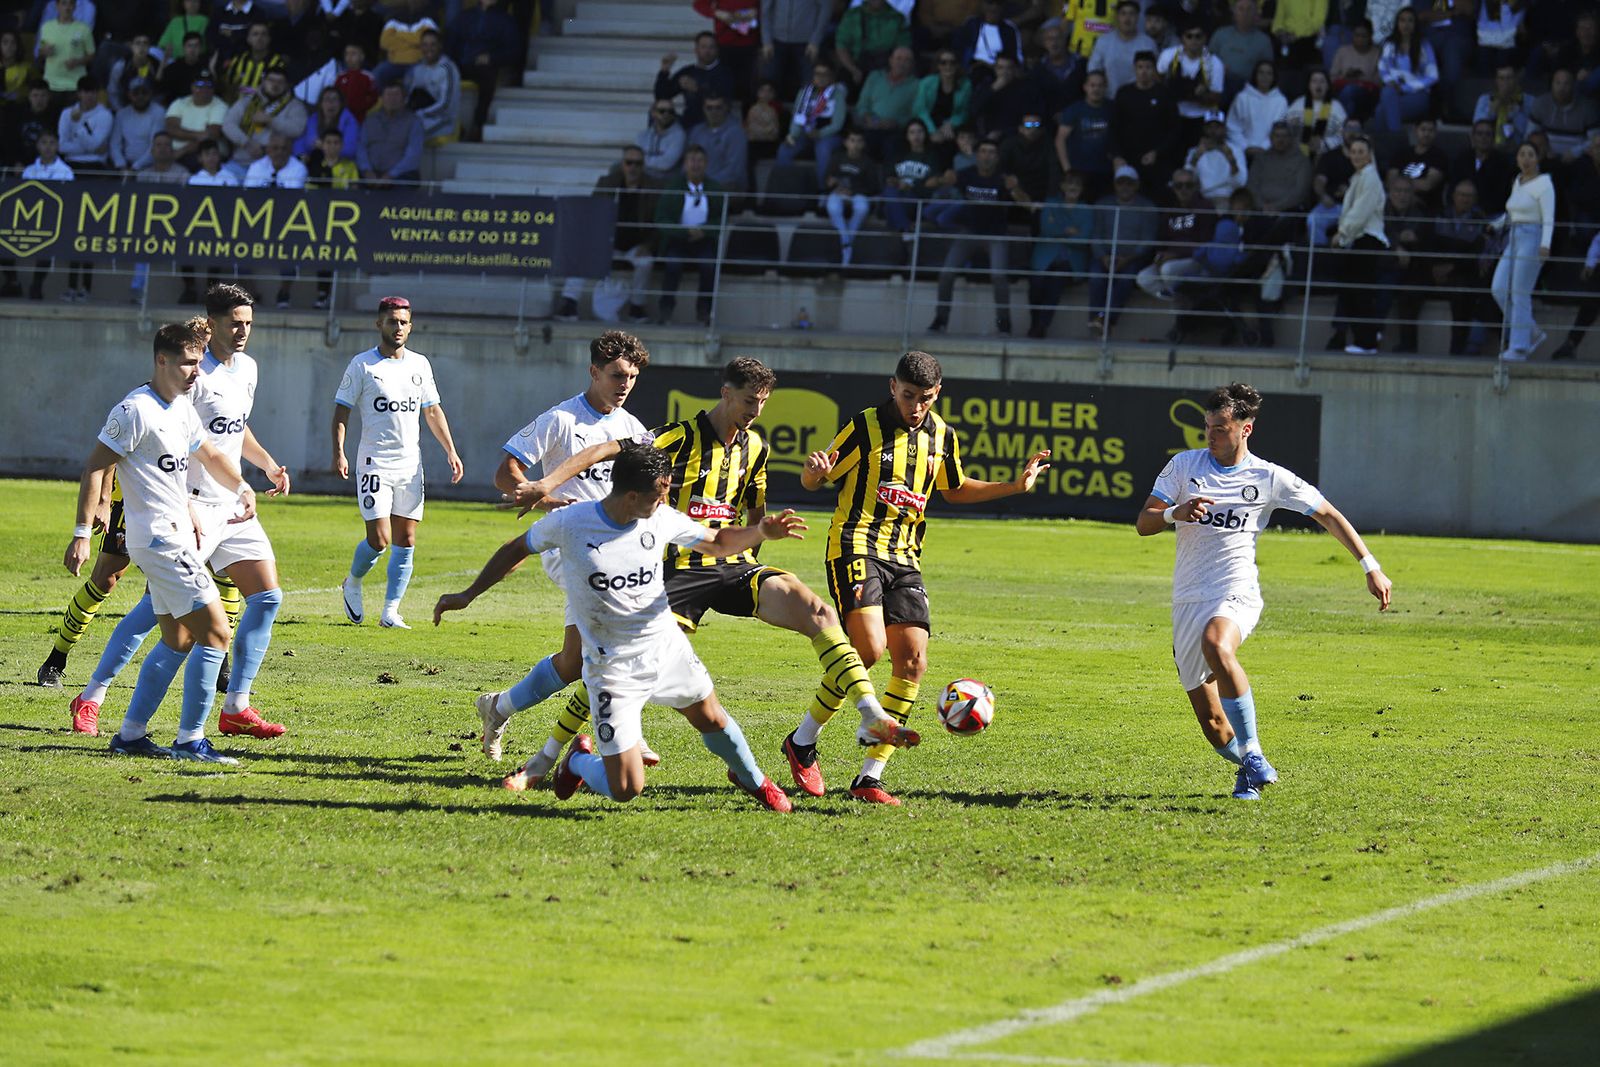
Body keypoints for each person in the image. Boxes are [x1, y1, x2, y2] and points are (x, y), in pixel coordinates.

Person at [484, 357, 919, 792]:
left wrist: (759, 542)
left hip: (730, 566)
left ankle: (871, 714)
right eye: (749, 400)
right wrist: (546, 484)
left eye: (763, 403)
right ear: (727, 394)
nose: (755, 410)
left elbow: (756, 510)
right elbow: (604, 450)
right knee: (618, 661)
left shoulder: (756, 447)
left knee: (817, 611)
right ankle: (545, 759)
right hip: (678, 573)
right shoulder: (678, 436)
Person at [435, 443, 799, 811]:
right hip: (612, 671)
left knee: (712, 718)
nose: (664, 500)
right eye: (659, 494)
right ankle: (576, 760)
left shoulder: (660, 517)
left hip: (665, 648)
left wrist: (760, 533)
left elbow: (718, 542)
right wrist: (468, 594)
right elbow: (517, 548)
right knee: (625, 787)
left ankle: (757, 782)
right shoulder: (571, 523)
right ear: (630, 496)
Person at [794, 350, 1050, 805]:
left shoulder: (943, 436)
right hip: (855, 544)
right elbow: (819, 478)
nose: (916, 406)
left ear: (937, 394)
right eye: (908, 395)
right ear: (892, 386)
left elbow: (953, 489)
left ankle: (869, 777)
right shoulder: (865, 426)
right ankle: (802, 740)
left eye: (925, 398)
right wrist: (814, 476)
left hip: (906, 557)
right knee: (869, 650)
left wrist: (1014, 486)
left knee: (912, 662)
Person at [1136, 382, 1392, 801]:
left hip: (1236, 592)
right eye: (1207, 426)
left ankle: (1253, 755)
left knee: (1218, 644)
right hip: (1187, 599)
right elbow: (1143, 522)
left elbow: (1327, 514)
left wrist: (1371, 566)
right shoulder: (1183, 466)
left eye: (1220, 427)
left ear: (1245, 429)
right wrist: (1173, 512)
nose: (1211, 435)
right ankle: (1247, 770)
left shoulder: (1268, 477)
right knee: (1215, 728)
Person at [67, 288, 293, 742]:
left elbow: (231, 428)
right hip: (187, 508)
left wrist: (263, 466)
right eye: (234, 321)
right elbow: (133, 446)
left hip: (233, 503)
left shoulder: (247, 368)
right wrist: (89, 521)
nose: (243, 330)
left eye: (248, 321)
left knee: (267, 597)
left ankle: (236, 707)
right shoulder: (188, 376)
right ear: (211, 324)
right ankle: (94, 695)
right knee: (159, 614)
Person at [452, 330, 656, 766]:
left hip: (617, 549)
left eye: (633, 376)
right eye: (617, 374)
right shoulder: (562, 420)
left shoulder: (633, 430)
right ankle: (624, 734)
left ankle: (498, 707)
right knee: (620, 632)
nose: (625, 384)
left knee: (571, 663)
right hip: (569, 546)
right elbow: (506, 473)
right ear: (593, 371)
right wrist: (542, 496)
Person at [332, 296, 465, 629]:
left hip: (410, 464)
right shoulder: (362, 365)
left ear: (411, 325)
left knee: (406, 539)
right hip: (374, 461)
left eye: (404, 322)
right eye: (392, 321)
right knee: (379, 539)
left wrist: (450, 449)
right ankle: (353, 582)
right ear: (380, 325)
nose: (398, 327)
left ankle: (391, 611)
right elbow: (341, 410)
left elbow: (432, 410)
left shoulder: (419, 364)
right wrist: (339, 451)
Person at [927, 138, 1031, 335]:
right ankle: (940, 319)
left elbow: (1027, 204)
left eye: (991, 152)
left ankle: (1004, 323)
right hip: (970, 232)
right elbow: (929, 184)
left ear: (997, 157)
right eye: (983, 151)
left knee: (999, 277)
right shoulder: (967, 174)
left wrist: (1014, 189)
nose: (987, 156)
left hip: (996, 235)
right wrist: (942, 179)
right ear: (977, 155)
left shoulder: (1004, 178)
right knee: (946, 274)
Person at [554, 146, 658, 324]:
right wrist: (596, 241)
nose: (633, 168)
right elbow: (592, 212)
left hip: (636, 246)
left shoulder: (653, 188)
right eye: (629, 163)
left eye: (638, 164)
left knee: (646, 262)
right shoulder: (607, 183)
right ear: (622, 165)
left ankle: (637, 306)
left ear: (643, 166)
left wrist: (648, 245)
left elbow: (658, 224)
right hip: (606, 243)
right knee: (582, 253)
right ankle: (569, 302)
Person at [1490, 140, 1555, 360]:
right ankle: (1532, 332)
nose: (1526, 159)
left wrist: (1545, 245)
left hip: (1532, 237)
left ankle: (1519, 347)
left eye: (1530, 155)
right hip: (1514, 236)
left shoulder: (1545, 184)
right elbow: (1512, 213)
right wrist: (1496, 225)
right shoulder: (1517, 181)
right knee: (1498, 288)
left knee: (1520, 292)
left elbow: (1549, 218)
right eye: (1522, 154)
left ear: (1538, 159)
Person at [654, 144, 726, 326]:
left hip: (704, 240)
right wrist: (684, 231)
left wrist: (704, 230)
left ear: (706, 164)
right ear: (685, 164)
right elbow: (662, 218)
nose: (696, 165)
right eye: (692, 160)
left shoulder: (715, 188)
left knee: (709, 264)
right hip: (678, 239)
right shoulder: (673, 187)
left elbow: (722, 218)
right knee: (673, 263)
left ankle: (704, 312)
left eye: (700, 160)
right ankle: (666, 310)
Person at [1330, 133, 1387, 354]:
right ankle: (1368, 335)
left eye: (1361, 152)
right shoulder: (1359, 176)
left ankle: (1368, 341)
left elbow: (1360, 212)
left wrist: (1341, 234)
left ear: (1370, 154)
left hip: (1368, 239)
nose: (1356, 156)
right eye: (1353, 152)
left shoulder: (1370, 177)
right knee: (1352, 291)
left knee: (1360, 292)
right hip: (1358, 239)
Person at [1086, 163, 1159, 336]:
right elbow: (1096, 235)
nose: (1125, 187)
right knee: (1096, 277)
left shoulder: (1148, 207)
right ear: (1114, 184)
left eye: (1129, 183)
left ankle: (1104, 319)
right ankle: (1098, 318)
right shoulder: (1102, 204)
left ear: (1137, 185)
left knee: (1125, 279)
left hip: (1132, 259)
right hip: (1104, 257)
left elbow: (1148, 240)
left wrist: (1127, 258)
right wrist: (1103, 256)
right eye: (1121, 183)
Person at [1424, 179, 1493, 356]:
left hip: (1462, 274)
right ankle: (1406, 345)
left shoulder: (1481, 222)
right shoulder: (1439, 215)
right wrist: (1435, 266)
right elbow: (1429, 244)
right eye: (1462, 195)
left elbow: (1476, 253)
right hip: (1434, 270)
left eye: (1469, 196)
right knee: (1408, 289)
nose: (1465, 199)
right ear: (1453, 196)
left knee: (1464, 294)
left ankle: (1457, 350)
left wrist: (1452, 267)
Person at [1026, 170, 1094, 338]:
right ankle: (1035, 323)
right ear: (1062, 186)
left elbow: (1084, 239)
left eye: (1077, 184)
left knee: (1055, 282)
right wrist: (1069, 231)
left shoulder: (1087, 210)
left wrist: (1058, 232)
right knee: (1036, 285)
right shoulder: (1050, 204)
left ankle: (1041, 326)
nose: (1073, 187)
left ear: (1082, 189)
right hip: (1045, 257)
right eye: (1070, 183)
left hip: (1070, 260)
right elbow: (1046, 230)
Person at [1136, 165, 1217, 302]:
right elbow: (1162, 239)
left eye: (1188, 185)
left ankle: (1182, 304)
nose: (1183, 190)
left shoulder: (1205, 208)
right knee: (1143, 278)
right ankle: (1179, 300)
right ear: (1173, 188)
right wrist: (1160, 255)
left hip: (1196, 259)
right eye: (1179, 186)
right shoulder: (1170, 211)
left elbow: (1204, 242)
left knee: (1168, 270)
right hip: (1171, 259)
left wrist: (1175, 254)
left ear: (1196, 187)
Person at [447, 0, 520, 137]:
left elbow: (513, 51)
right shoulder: (464, 16)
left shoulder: (505, 20)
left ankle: (478, 125)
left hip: (483, 67)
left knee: (487, 77)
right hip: (459, 63)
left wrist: (492, 57)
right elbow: (450, 42)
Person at [1109, 50, 1179, 193]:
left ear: (1154, 69)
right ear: (1134, 68)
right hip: (1128, 159)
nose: (1144, 71)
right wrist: (1117, 156)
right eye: (1140, 67)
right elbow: (1114, 127)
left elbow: (1174, 129)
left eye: (1148, 67)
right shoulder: (1124, 93)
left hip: (1157, 160)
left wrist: (1157, 152)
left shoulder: (1164, 94)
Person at [222, 64, 308, 180]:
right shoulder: (247, 102)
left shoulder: (295, 106)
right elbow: (227, 125)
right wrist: (246, 143)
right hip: (241, 162)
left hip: (275, 166)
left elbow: (297, 129)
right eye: (271, 80)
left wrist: (270, 120)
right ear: (263, 81)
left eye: (280, 82)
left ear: (286, 85)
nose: (275, 85)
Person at [776, 60, 847, 185]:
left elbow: (837, 124)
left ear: (831, 77)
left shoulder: (837, 94)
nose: (820, 78)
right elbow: (797, 117)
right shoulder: (805, 93)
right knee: (784, 149)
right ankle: (787, 186)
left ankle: (822, 190)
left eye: (824, 74)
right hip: (805, 134)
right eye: (817, 74)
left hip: (828, 135)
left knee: (823, 149)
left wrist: (819, 133)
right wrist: (792, 135)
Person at [1158, 20, 1225, 149]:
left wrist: (1200, 95)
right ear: (1183, 38)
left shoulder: (1215, 63)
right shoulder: (1168, 55)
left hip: (1200, 118)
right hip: (1173, 115)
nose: (1193, 40)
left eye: (1198, 36)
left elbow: (1216, 97)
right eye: (1189, 36)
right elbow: (1157, 81)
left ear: (1205, 38)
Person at [1371, 7, 1437, 134]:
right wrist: (1391, 81)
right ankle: (1393, 141)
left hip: (1418, 95)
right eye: (1402, 20)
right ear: (1397, 23)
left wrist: (1405, 88)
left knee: (1382, 109)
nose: (1406, 24)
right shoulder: (1389, 44)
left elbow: (1433, 76)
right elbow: (1383, 68)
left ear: (1415, 24)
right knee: (1386, 96)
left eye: (1410, 21)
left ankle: (1391, 143)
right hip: (1393, 93)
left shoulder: (1424, 45)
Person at [1054, 68, 1112, 200]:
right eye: (1092, 85)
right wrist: (1067, 170)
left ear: (1105, 87)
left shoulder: (1112, 109)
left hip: (1105, 171)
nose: (1096, 89)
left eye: (1100, 85)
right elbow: (1060, 140)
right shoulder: (1074, 110)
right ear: (1085, 87)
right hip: (1079, 172)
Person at [825, 129, 882, 265]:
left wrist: (853, 191)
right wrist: (833, 185)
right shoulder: (837, 157)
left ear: (863, 144)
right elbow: (827, 179)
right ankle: (847, 242)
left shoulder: (868, 162)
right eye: (852, 140)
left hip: (858, 195)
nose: (855, 144)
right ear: (846, 143)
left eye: (859, 141)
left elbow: (874, 187)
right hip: (838, 193)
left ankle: (846, 241)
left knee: (862, 208)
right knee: (832, 207)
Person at [657, 32, 735, 130]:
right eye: (703, 47)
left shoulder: (724, 73)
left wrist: (697, 89)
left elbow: (724, 100)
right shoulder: (688, 71)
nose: (707, 51)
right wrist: (664, 71)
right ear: (696, 50)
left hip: (715, 125)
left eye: (711, 47)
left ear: (717, 50)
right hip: (690, 123)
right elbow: (661, 96)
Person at [854, 45, 918, 160]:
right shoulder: (875, 77)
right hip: (871, 126)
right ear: (891, 60)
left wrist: (896, 122)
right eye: (898, 58)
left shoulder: (917, 85)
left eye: (906, 60)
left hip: (897, 130)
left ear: (912, 64)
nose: (901, 63)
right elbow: (862, 104)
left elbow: (915, 113)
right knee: (863, 141)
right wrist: (871, 119)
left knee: (892, 145)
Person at [881, 119, 943, 232]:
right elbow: (888, 177)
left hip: (917, 199)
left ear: (925, 134)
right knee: (890, 191)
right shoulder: (899, 155)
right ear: (907, 136)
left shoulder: (932, 156)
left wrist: (910, 186)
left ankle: (903, 227)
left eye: (920, 132)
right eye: (912, 132)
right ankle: (906, 229)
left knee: (889, 208)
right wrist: (894, 182)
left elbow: (931, 185)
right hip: (897, 197)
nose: (916, 136)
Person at [358, 81, 423, 185]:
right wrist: (367, 171)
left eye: (396, 95)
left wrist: (391, 175)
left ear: (404, 99)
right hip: (370, 175)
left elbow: (413, 155)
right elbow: (360, 147)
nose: (392, 99)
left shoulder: (414, 122)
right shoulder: (370, 120)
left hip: (401, 176)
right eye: (388, 95)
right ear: (382, 98)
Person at [1086, 0, 1154, 98]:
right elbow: (1093, 70)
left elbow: (1154, 76)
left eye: (1131, 14)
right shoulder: (1103, 41)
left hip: (1139, 100)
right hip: (1109, 100)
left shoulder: (1148, 44)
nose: (1127, 18)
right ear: (1117, 17)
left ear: (1138, 17)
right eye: (1123, 14)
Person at [913, 49, 971, 166]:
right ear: (938, 65)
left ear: (957, 65)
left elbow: (965, 111)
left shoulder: (965, 84)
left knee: (952, 142)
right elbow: (920, 109)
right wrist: (932, 131)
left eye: (952, 62)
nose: (948, 66)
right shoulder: (927, 82)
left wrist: (951, 124)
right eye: (943, 62)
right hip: (929, 123)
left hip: (951, 125)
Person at [834, 0, 909, 86]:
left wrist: (893, 72)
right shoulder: (852, 16)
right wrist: (853, 69)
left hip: (886, 69)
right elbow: (841, 46)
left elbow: (903, 49)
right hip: (856, 67)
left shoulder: (897, 18)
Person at [404, 29, 460, 143]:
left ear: (440, 46)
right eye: (425, 45)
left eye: (433, 44)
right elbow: (409, 96)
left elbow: (446, 105)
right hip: (418, 116)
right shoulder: (417, 68)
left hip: (442, 120)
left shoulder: (447, 68)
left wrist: (421, 114)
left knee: (409, 134)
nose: (428, 48)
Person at [1246, 120, 1313, 213]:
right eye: (1277, 136)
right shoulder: (1260, 159)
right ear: (1270, 138)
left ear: (1291, 138)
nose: (1280, 140)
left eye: (1284, 136)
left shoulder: (1302, 160)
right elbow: (1251, 186)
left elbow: (1300, 192)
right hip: (1260, 210)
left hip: (1289, 211)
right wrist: (1261, 206)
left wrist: (1277, 207)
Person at [1209, 0, 1275, 93]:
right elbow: (1207, 59)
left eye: (1249, 9)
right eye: (1241, 9)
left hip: (1248, 88)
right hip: (1220, 84)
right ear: (1234, 12)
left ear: (1256, 13)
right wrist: (1218, 68)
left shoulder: (1263, 41)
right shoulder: (1220, 34)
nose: (1245, 13)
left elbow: (1267, 70)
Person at [1226, 59, 1286, 161]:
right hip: (1242, 152)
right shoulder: (1242, 98)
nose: (1264, 77)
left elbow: (1280, 129)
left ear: (1273, 77)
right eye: (1261, 73)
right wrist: (1245, 147)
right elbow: (1232, 127)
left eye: (1269, 73)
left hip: (1270, 152)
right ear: (1255, 75)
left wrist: (1264, 147)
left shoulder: (1280, 101)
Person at [687, 93, 748, 191]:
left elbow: (734, 171)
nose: (713, 112)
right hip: (698, 185)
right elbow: (688, 161)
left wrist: (705, 184)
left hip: (727, 186)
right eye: (709, 108)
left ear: (726, 108)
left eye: (718, 107)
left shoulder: (736, 132)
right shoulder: (696, 131)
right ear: (703, 109)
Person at [1186, 110, 1247, 208]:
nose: (1213, 131)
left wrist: (1231, 160)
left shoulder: (1236, 150)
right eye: (1209, 127)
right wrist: (1195, 158)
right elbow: (1186, 181)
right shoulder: (1194, 152)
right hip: (1203, 198)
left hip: (1227, 198)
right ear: (1204, 129)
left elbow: (1240, 183)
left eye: (1217, 127)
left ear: (1224, 129)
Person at [36, 0, 93, 98]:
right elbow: (40, 52)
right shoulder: (46, 27)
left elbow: (91, 55)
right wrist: (44, 52)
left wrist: (78, 62)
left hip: (75, 84)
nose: (67, 7)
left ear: (75, 6)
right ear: (57, 6)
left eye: (71, 3)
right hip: (51, 84)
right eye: (64, 3)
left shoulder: (84, 28)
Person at [56, 74, 111, 174]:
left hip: (96, 164)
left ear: (97, 94)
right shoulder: (66, 113)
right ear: (79, 94)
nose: (89, 96)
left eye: (93, 92)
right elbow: (62, 146)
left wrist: (78, 123)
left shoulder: (105, 115)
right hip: (71, 163)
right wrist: (93, 150)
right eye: (86, 92)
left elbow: (94, 144)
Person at [1286, 69, 1347, 158]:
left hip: (1327, 156)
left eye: (1322, 81)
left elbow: (1344, 136)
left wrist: (1324, 144)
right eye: (1314, 81)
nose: (1318, 85)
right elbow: (1285, 130)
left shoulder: (1337, 108)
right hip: (1298, 156)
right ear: (1309, 85)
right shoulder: (1297, 104)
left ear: (1328, 86)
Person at [1330, 18, 1381, 122]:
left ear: (1370, 36)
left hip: (1367, 93)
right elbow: (1332, 77)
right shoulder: (1342, 51)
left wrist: (1361, 77)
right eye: (1357, 35)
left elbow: (1380, 80)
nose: (1360, 39)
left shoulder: (1377, 53)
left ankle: (1344, 122)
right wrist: (1347, 76)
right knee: (1348, 93)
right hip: (1343, 90)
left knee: (1350, 91)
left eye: (1364, 36)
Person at [109, 78, 164, 172]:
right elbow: (115, 144)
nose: (140, 97)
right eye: (136, 93)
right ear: (129, 95)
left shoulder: (159, 112)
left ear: (150, 94)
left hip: (150, 165)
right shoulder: (122, 114)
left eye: (144, 93)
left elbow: (155, 146)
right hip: (124, 166)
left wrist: (135, 167)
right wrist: (121, 165)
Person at [293, 85, 359, 159]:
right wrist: (300, 155)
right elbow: (301, 142)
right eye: (327, 99)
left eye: (335, 100)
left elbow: (350, 150)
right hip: (314, 161)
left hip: (341, 163)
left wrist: (324, 146)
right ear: (321, 104)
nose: (331, 103)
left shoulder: (349, 121)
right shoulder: (313, 118)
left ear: (341, 104)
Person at [636, 98, 686, 181]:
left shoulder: (679, 135)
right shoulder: (643, 135)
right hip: (644, 179)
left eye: (670, 111)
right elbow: (636, 157)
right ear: (653, 113)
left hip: (667, 181)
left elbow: (666, 164)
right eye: (662, 111)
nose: (666, 114)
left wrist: (644, 161)